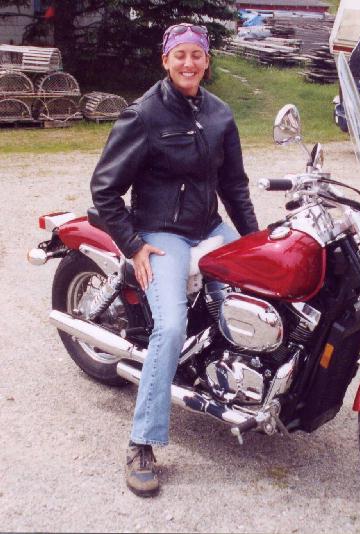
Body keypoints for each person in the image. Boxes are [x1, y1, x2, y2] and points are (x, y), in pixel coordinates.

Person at [90, 23, 259, 497]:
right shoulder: (142, 114)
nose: (189, 63)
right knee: (169, 328)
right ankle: (142, 440)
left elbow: (235, 187)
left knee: (261, 292)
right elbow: (105, 189)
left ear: (207, 61)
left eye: (196, 56)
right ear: (165, 60)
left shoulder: (220, 114)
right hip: (161, 235)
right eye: (179, 55)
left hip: (209, 226)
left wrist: (256, 241)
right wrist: (133, 243)